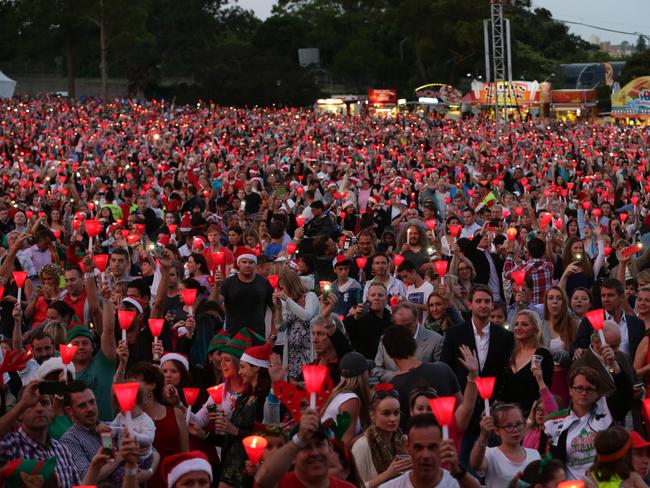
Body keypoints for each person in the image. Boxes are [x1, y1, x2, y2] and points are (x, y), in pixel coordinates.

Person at [545, 366, 619, 480]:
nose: (584, 393)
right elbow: (550, 463)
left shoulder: (606, 411)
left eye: (589, 389)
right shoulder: (555, 422)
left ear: (597, 394)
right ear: (570, 390)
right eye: (579, 388)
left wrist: (614, 368)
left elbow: (624, 395)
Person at [255, 408, 357, 488]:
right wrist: (299, 438)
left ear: (330, 448)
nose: (315, 452)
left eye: (319, 444)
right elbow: (262, 479)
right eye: (305, 447)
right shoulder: (282, 483)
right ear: (293, 456)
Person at [384, 326, 460, 427]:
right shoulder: (443, 369)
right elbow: (461, 407)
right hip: (448, 438)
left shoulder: (394, 388)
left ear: (389, 353)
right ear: (414, 344)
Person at [378, 413, 480, 487]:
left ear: (442, 446)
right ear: (407, 447)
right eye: (418, 447)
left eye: (432, 447)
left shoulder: (456, 484)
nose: (426, 455)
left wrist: (458, 471)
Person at [494, 310, 554, 415]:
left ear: (535, 329)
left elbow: (544, 389)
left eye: (524, 324)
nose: (518, 328)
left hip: (530, 415)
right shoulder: (510, 353)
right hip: (507, 415)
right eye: (516, 324)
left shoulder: (543, 355)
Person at [470, 403, 541, 488]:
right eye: (509, 426)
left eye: (519, 424)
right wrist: (483, 436)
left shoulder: (534, 454)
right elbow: (475, 464)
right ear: (497, 430)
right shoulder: (491, 454)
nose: (515, 429)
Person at [351, 386, 410, 488]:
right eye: (386, 414)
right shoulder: (362, 446)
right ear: (372, 415)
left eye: (396, 413)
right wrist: (388, 474)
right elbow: (355, 486)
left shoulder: (404, 441)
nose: (393, 419)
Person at [574, 278, 645, 360]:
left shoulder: (637, 324)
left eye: (610, 295)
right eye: (603, 296)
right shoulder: (591, 319)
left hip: (627, 370)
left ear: (622, 297)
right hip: (600, 370)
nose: (606, 300)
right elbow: (577, 347)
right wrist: (577, 350)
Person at [373, 302, 443, 382]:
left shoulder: (436, 340)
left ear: (417, 319)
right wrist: (396, 376)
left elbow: (438, 373)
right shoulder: (385, 340)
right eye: (400, 327)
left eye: (408, 325)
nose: (404, 330)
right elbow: (377, 369)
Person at [273, 269, 319, 379]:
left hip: (308, 351)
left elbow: (307, 316)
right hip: (292, 354)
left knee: (308, 385)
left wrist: (287, 300)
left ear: (291, 285)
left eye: (283, 287)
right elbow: (281, 328)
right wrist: (278, 310)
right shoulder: (290, 302)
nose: (282, 291)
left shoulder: (310, 296)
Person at [320, 351, 371, 447]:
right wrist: (372, 430)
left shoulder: (340, 394)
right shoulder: (350, 400)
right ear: (364, 374)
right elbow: (345, 445)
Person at [344, 282, 392, 360]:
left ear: (386, 299)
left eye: (380, 295)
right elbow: (344, 329)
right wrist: (355, 318)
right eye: (373, 295)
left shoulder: (392, 319)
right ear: (367, 299)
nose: (376, 298)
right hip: (365, 366)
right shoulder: (359, 317)